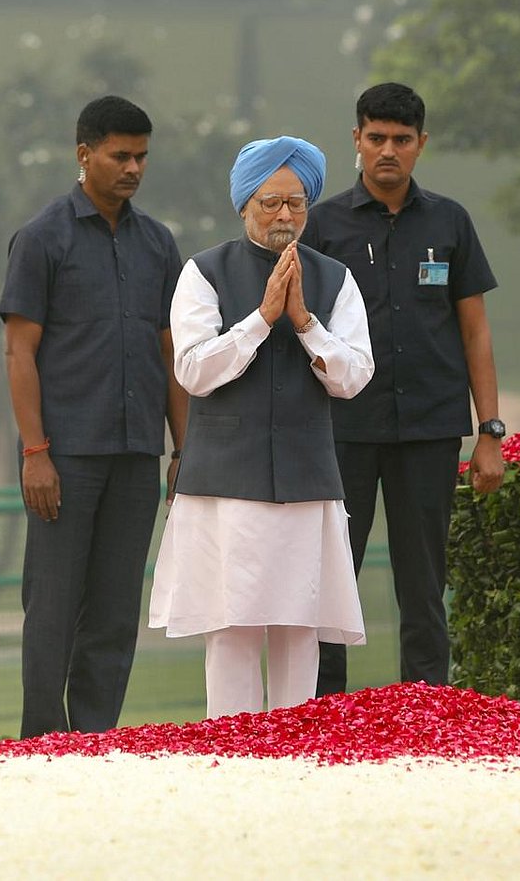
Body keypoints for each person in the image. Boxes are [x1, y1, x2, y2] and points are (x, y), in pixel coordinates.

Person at [148, 137, 374, 718]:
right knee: (233, 626)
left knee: (299, 628)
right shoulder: (204, 272)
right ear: (244, 204)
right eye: (271, 202)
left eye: (296, 203)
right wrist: (260, 319)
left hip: (306, 480)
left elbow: (353, 376)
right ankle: (233, 751)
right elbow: (193, 370)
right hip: (227, 481)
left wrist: (303, 322)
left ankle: (294, 753)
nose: (284, 215)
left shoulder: (335, 279)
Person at [301, 82, 505, 691]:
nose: (388, 151)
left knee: (424, 582)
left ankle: (427, 710)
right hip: (343, 431)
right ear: (357, 140)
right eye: (376, 138)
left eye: (402, 140)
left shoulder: (450, 221)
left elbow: (475, 332)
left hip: (430, 429)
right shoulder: (323, 226)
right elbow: (300, 329)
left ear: (421, 144)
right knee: (333, 579)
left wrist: (490, 431)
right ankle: (322, 714)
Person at [0, 95, 188, 739]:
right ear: (84, 155)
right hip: (65, 456)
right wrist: (35, 452)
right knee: (51, 606)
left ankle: (98, 741)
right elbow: (18, 351)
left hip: (137, 455)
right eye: (119, 155)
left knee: (113, 610)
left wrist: (182, 449)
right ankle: (41, 744)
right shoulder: (42, 237)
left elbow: (170, 352)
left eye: (141, 156)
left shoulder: (159, 243)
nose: (133, 168)